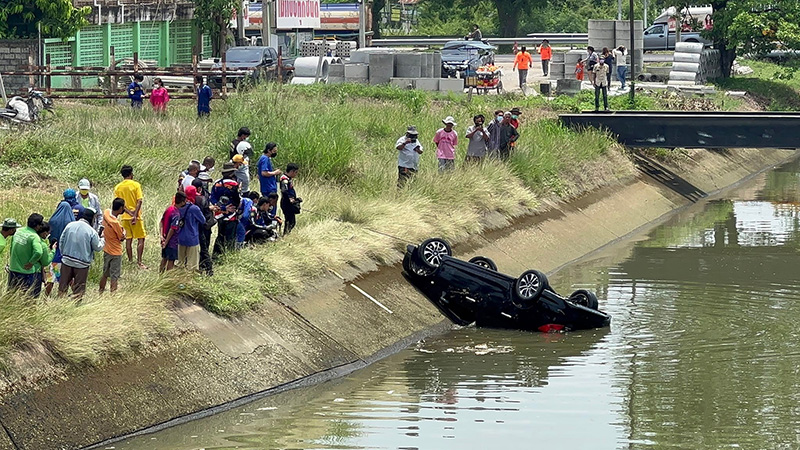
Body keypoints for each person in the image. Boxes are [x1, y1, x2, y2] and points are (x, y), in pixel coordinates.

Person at [59, 208, 104, 298]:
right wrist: (102, 239)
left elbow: (61, 241)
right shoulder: (91, 231)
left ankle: (60, 305)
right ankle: (76, 307)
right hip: (82, 265)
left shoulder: (70, 225)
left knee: (62, 287)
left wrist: (64, 254)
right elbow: (98, 247)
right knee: (79, 290)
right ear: (92, 218)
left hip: (66, 260)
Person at [114, 165, 147, 269]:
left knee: (129, 240)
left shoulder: (118, 187)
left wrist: (128, 212)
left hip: (124, 217)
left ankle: (130, 261)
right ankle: (139, 262)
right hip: (136, 217)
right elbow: (139, 200)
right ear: (131, 174)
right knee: (141, 238)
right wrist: (134, 214)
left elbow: (120, 203)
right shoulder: (136, 185)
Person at [7, 214, 44, 297]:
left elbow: (12, 246)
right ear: (37, 226)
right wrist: (31, 262)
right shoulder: (34, 237)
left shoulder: (18, 231)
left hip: (13, 268)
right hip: (26, 271)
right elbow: (38, 252)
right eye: (41, 224)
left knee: (11, 295)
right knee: (27, 297)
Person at [210, 163, 241, 256]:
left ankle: (216, 255)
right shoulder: (234, 184)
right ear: (231, 173)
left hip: (220, 214)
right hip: (231, 215)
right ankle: (230, 256)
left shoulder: (217, 184)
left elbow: (212, 198)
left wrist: (221, 207)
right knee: (230, 238)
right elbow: (238, 200)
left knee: (220, 236)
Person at [47, 200, 75, 296]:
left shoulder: (52, 220)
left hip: (55, 252)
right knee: (69, 276)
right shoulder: (72, 222)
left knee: (51, 276)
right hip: (68, 253)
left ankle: (47, 295)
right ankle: (75, 294)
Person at [99, 198, 126, 294]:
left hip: (106, 248)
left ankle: (100, 292)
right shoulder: (115, 223)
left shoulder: (106, 213)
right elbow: (121, 237)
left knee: (105, 274)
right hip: (116, 252)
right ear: (121, 208)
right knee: (114, 276)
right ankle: (113, 297)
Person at [174, 191, 206, 272]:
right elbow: (203, 220)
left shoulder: (176, 208)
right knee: (192, 265)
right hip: (192, 239)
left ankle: (179, 279)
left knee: (180, 263)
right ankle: (189, 281)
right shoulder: (194, 208)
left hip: (180, 238)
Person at [191, 178, 215, 275]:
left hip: (199, 226)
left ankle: (205, 267)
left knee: (201, 247)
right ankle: (205, 267)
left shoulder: (196, 199)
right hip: (202, 225)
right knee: (203, 247)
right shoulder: (202, 198)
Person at [32, 222, 53, 298]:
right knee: (34, 295)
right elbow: (45, 262)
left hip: (25, 270)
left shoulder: (32, 239)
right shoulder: (42, 245)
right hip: (36, 271)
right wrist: (53, 251)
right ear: (44, 233)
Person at [280, 163, 301, 235]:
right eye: (296, 172)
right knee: (290, 221)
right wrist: (290, 199)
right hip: (287, 203)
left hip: (290, 203)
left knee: (292, 221)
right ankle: (285, 235)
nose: (296, 174)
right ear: (292, 171)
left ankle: (286, 234)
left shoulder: (289, 179)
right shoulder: (284, 179)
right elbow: (284, 190)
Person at [159, 199, 180, 273]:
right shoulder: (176, 214)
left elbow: (161, 222)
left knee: (164, 259)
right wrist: (166, 242)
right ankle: (168, 279)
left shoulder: (169, 209)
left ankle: (160, 276)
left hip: (164, 239)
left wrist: (161, 236)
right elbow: (172, 229)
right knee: (171, 260)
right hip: (172, 242)